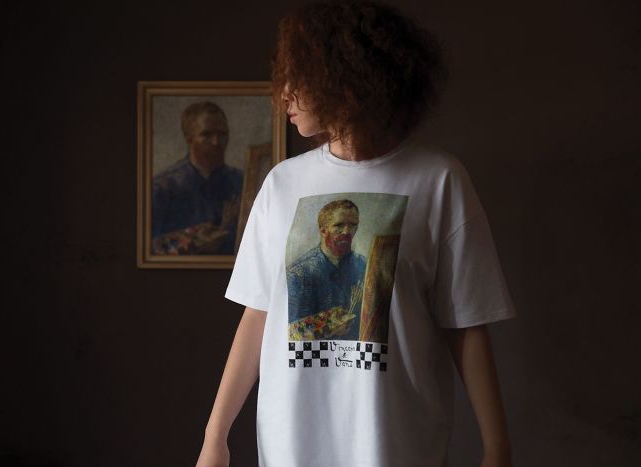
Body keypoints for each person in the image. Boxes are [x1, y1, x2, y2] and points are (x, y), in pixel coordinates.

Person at [197, 1, 515, 466]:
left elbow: (466, 326)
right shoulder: (282, 184)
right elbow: (257, 316)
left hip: (398, 448)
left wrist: (497, 447)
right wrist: (215, 437)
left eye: (298, 77)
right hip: (291, 449)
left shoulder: (438, 180)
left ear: (342, 76)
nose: (284, 95)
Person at [152, 101, 243, 254]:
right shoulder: (163, 188)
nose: (216, 142)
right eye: (206, 135)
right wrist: (191, 241)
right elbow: (146, 248)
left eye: (222, 134)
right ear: (189, 138)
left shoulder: (242, 182)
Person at [287, 199, 366, 340]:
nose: (347, 232)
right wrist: (329, 327)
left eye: (353, 225)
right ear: (323, 230)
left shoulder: (364, 265)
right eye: (339, 225)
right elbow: (291, 334)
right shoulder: (298, 273)